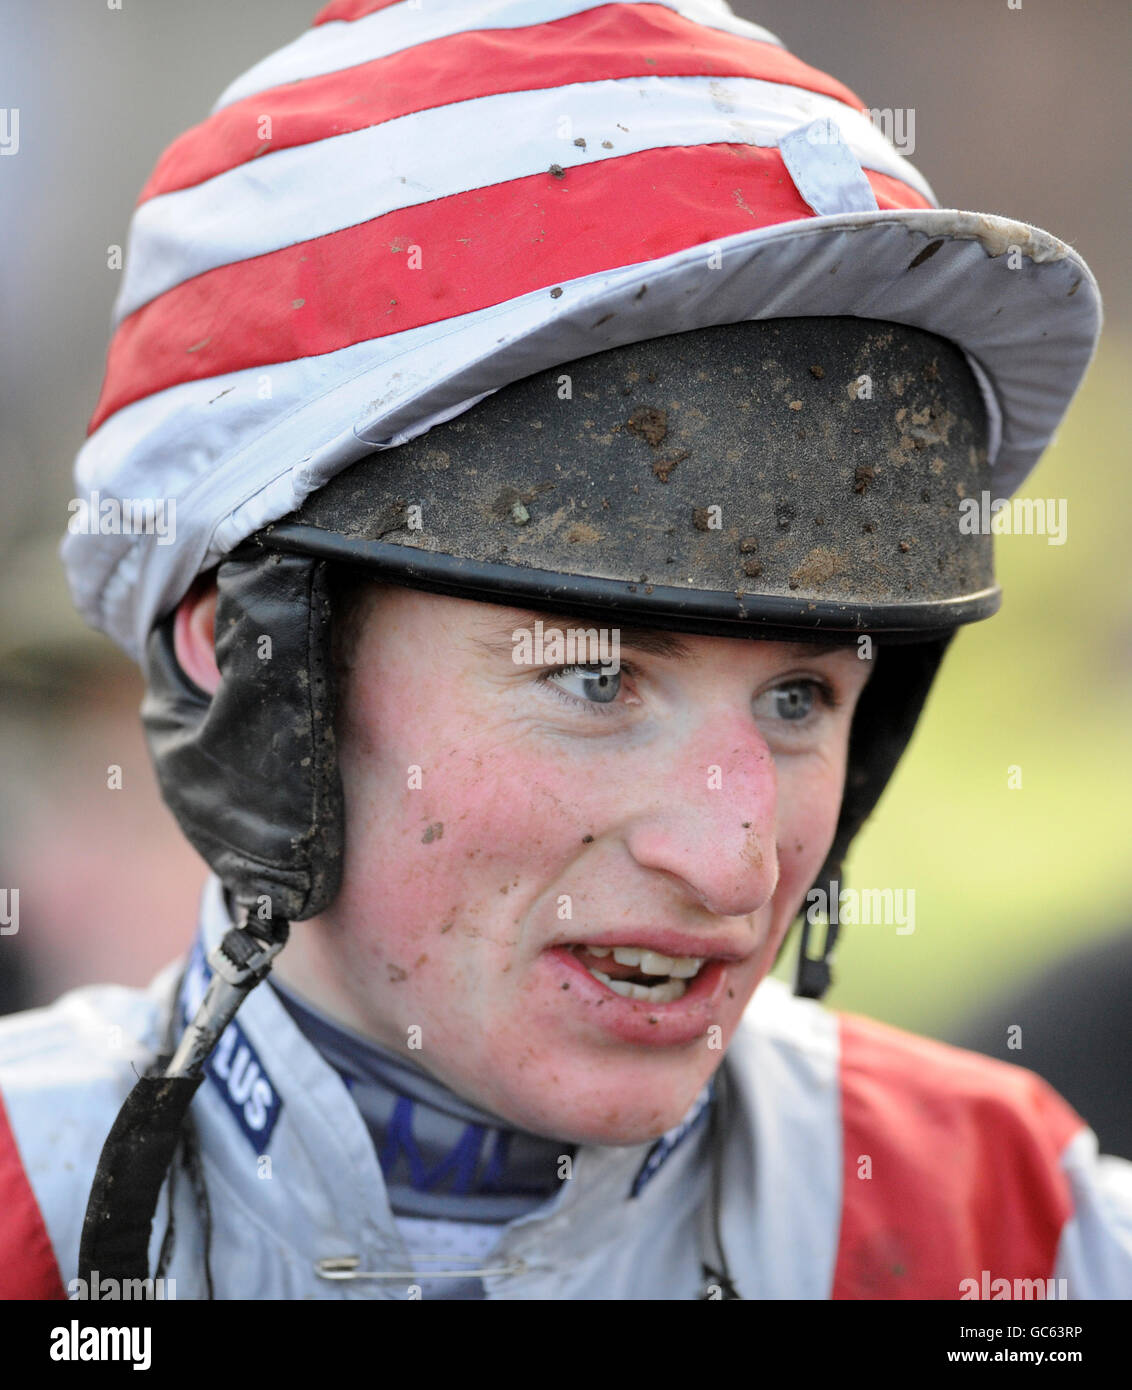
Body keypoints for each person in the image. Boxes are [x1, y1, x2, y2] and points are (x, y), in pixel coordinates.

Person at [2, 0, 1129, 1301]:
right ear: (246, 666)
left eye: (801, 697)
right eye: (597, 677)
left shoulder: (1017, 1234)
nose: (731, 857)